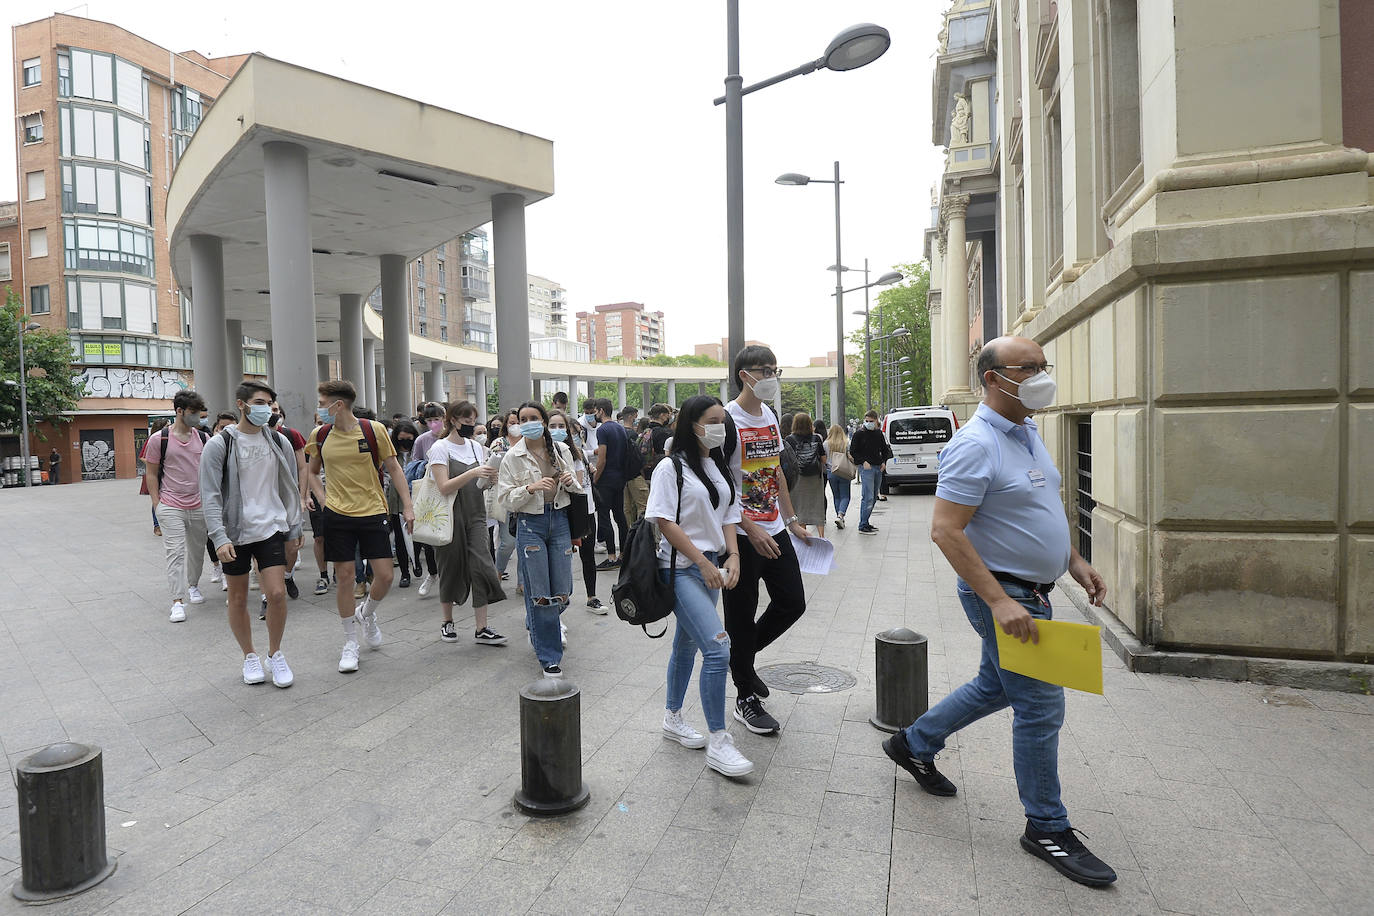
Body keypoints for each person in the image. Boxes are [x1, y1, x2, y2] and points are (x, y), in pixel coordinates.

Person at [884, 337, 1116, 888]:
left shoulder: (1028, 431)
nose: (1041, 375)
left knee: (995, 687)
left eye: (1043, 366)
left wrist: (1073, 560)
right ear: (992, 378)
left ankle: (912, 743)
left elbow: (1040, 507)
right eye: (1027, 368)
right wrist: (999, 601)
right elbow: (945, 529)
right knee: (1040, 707)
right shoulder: (976, 443)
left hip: (1033, 588)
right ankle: (1047, 827)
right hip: (1008, 597)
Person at [647, 396, 753, 777]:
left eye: (722, 421)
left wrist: (733, 556)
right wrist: (705, 562)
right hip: (681, 569)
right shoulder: (670, 467)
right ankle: (719, 741)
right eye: (712, 420)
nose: (720, 427)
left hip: (712, 567)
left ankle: (672, 717)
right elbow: (664, 521)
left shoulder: (717, 464)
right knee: (718, 648)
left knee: (687, 643)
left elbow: (729, 513)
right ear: (692, 424)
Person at [722, 345, 812, 735]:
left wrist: (791, 520)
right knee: (741, 616)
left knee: (792, 602)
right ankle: (745, 696)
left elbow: (775, 471)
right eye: (765, 371)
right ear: (745, 375)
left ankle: (740, 660)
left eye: (776, 370)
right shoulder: (726, 419)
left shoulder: (771, 416)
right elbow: (718, 484)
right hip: (739, 535)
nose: (772, 377)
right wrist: (749, 528)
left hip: (774, 525)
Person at [305, 379, 414, 674]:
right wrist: (323, 499)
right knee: (345, 577)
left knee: (385, 576)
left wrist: (408, 505)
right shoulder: (320, 434)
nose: (320, 407)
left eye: (322, 401)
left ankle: (366, 614)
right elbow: (312, 472)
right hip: (337, 515)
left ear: (338, 404)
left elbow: (394, 468)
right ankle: (350, 641)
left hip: (373, 510)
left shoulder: (373, 430)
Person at [200, 381, 303, 688]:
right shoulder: (220, 444)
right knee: (238, 597)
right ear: (241, 404)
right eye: (259, 402)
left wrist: (294, 527)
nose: (266, 409)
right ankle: (249, 656)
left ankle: (275, 653)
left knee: (276, 593)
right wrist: (219, 536)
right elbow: (209, 494)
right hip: (234, 532)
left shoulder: (277, 440)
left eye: (269, 404)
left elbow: (289, 487)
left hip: (271, 526)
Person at [497, 401, 583, 677]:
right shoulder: (512, 456)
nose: (529, 422)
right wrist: (530, 488)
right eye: (524, 419)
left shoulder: (561, 450)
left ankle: (536, 621)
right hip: (529, 523)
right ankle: (549, 657)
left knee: (563, 592)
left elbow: (578, 488)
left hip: (559, 520)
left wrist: (570, 482)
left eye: (534, 417)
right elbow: (504, 499)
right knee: (541, 596)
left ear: (544, 421)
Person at [425, 400, 507, 645]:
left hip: (476, 513)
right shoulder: (440, 448)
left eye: (473, 421)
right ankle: (447, 621)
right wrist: (473, 473)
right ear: (453, 420)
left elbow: (480, 484)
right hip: (449, 515)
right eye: (466, 421)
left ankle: (481, 627)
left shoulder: (475, 447)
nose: (471, 425)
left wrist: (489, 477)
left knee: (482, 564)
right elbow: (443, 486)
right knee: (450, 566)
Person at [143, 390, 210, 623]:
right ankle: (177, 601)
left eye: (199, 413)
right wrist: (157, 504)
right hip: (171, 504)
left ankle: (193, 585)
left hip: (199, 504)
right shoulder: (158, 439)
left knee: (197, 551)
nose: (197, 417)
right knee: (175, 553)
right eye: (193, 412)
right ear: (179, 411)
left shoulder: (203, 438)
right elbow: (150, 474)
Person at [554, 410, 605, 614]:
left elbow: (583, 484)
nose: (573, 436)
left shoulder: (580, 454)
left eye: (576, 433)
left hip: (587, 510)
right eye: (554, 427)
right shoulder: (553, 455)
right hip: (566, 512)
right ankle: (558, 604)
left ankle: (591, 596)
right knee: (562, 558)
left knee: (588, 556)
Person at [267, 403, 309, 604]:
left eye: (275, 410)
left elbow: (303, 468)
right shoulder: (250, 437)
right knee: (263, 550)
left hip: (288, 500)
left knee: (292, 548)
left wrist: (302, 497)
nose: (271, 413)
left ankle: (287, 576)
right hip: (263, 502)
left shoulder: (291, 435)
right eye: (267, 408)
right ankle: (267, 596)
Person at [408, 403, 446, 595]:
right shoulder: (422, 440)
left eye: (437, 420)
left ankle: (451, 581)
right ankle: (432, 573)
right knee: (429, 537)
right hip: (429, 492)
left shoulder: (451, 437)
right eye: (430, 420)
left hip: (450, 490)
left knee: (450, 538)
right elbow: (413, 465)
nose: (433, 424)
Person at [591, 397, 630, 570]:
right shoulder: (620, 428)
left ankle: (611, 557)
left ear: (601, 410)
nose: (594, 414)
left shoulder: (603, 430)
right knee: (620, 516)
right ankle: (623, 554)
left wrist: (595, 479)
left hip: (606, 479)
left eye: (595, 411)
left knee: (605, 518)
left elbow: (602, 459)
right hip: (620, 478)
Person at [487, 409, 523, 583]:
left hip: (527, 495)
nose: (516, 426)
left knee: (524, 544)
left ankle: (522, 582)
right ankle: (498, 572)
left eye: (519, 422)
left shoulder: (530, 442)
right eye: (512, 423)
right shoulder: (499, 443)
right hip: (506, 497)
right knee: (508, 542)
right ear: (506, 425)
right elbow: (492, 468)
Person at [386, 420, 419, 588]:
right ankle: (405, 573)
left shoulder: (418, 451)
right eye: (402, 439)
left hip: (418, 498)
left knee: (419, 537)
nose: (405, 443)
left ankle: (417, 564)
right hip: (396, 501)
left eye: (409, 438)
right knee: (400, 538)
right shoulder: (390, 453)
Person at [784, 412, 828, 538]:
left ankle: (805, 535)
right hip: (815, 478)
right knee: (817, 504)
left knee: (800, 506)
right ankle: (821, 536)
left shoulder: (789, 439)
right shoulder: (816, 438)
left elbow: (787, 460)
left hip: (798, 478)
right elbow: (824, 460)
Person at [849, 409, 892, 535]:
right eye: (866, 421)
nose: (868, 423)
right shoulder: (859, 434)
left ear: (876, 421)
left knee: (873, 497)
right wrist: (863, 462)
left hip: (878, 467)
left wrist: (884, 461)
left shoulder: (878, 434)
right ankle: (862, 525)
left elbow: (884, 449)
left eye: (871, 421)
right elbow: (853, 451)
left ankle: (866, 522)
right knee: (867, 496)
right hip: (866, 468)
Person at [825, 423, 853, 530]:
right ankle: (840, 516)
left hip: (831, 472)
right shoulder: (846, 443)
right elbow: (851, 457)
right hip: (843, 472)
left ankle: (839, 517)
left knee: (836, 496)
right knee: (845, 496)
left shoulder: (826, 444)